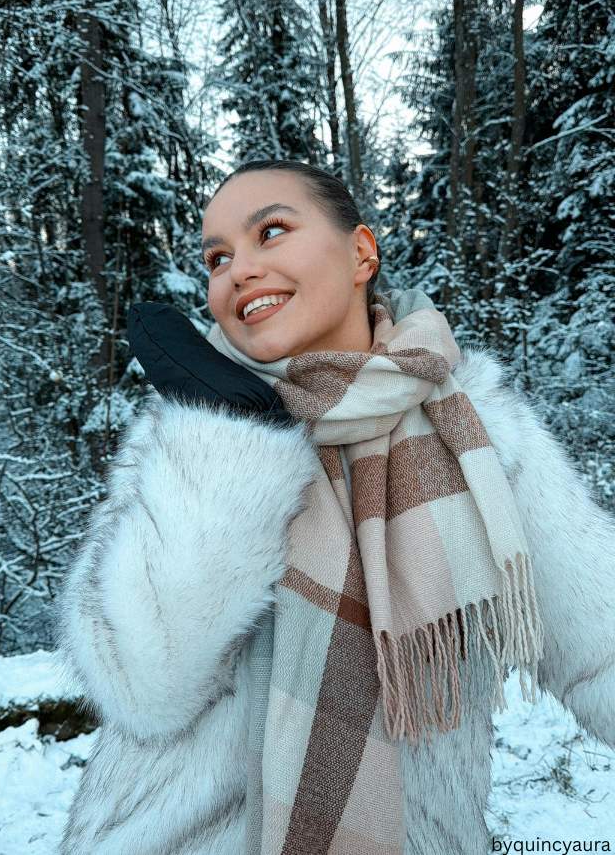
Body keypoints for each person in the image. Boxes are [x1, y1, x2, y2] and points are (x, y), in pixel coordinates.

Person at [57, 160, 615, 855]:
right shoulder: (181, 437)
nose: (238, 270)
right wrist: (230, 437)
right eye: (218, 256)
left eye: (270, 232)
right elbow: (142, 681)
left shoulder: (480, 436)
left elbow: (602, 651)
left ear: (360, 252)